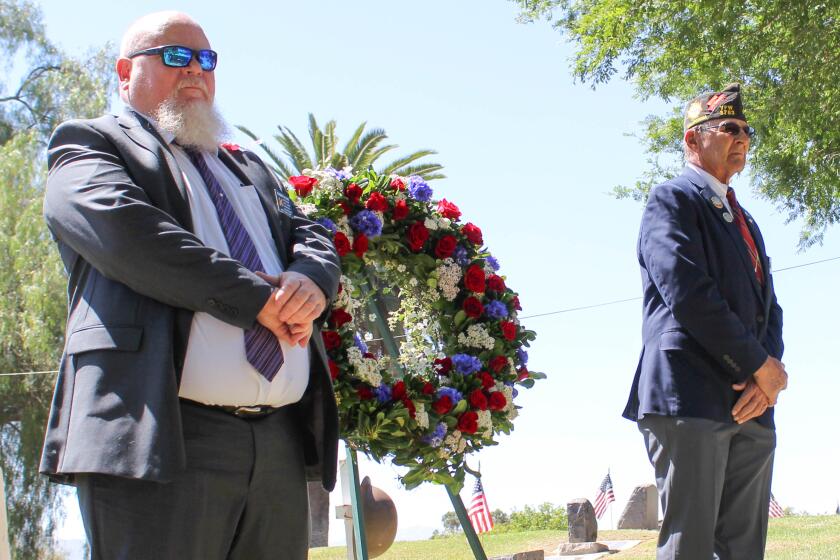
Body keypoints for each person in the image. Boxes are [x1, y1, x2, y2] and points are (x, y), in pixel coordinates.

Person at [39, 11, 340, 559]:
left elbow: (311, 231)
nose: (195, 71)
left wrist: (310, 282)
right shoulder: (89, 147)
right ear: (125, 71)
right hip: (160, 440)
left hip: (276, 447)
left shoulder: (247, 166)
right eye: (175, 56)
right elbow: (132, 237)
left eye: (206, 60)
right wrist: (259, 300)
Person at [622, 83, 789, 559]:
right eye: (729, 128)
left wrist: (768, 375)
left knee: (744, 548)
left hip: (752, 404)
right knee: (690, 548)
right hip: (689, 396)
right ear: (693, 140)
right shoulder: (671, 200)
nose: (742, 138)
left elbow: (768, 306)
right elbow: (689, 293)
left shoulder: (746, 220)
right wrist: (758, 365)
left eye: (747, 131)